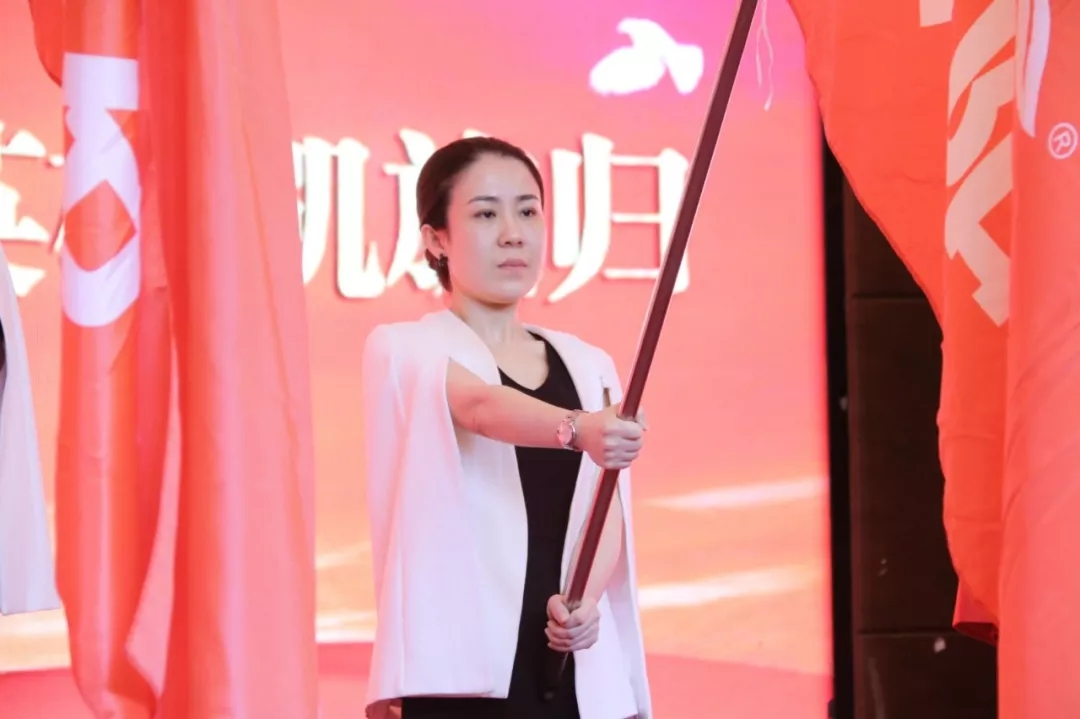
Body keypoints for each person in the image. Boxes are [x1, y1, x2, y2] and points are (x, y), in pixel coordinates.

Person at [361, 136, 651, 719]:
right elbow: (480, 406)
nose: (513, 233)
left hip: (576, 667)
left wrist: (586, 601)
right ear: (436, 240)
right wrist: (579, 428)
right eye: (486, 215)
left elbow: (606, 504)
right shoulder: (403, 348)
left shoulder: (588, 362)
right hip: (462, 681)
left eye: (527, 211)